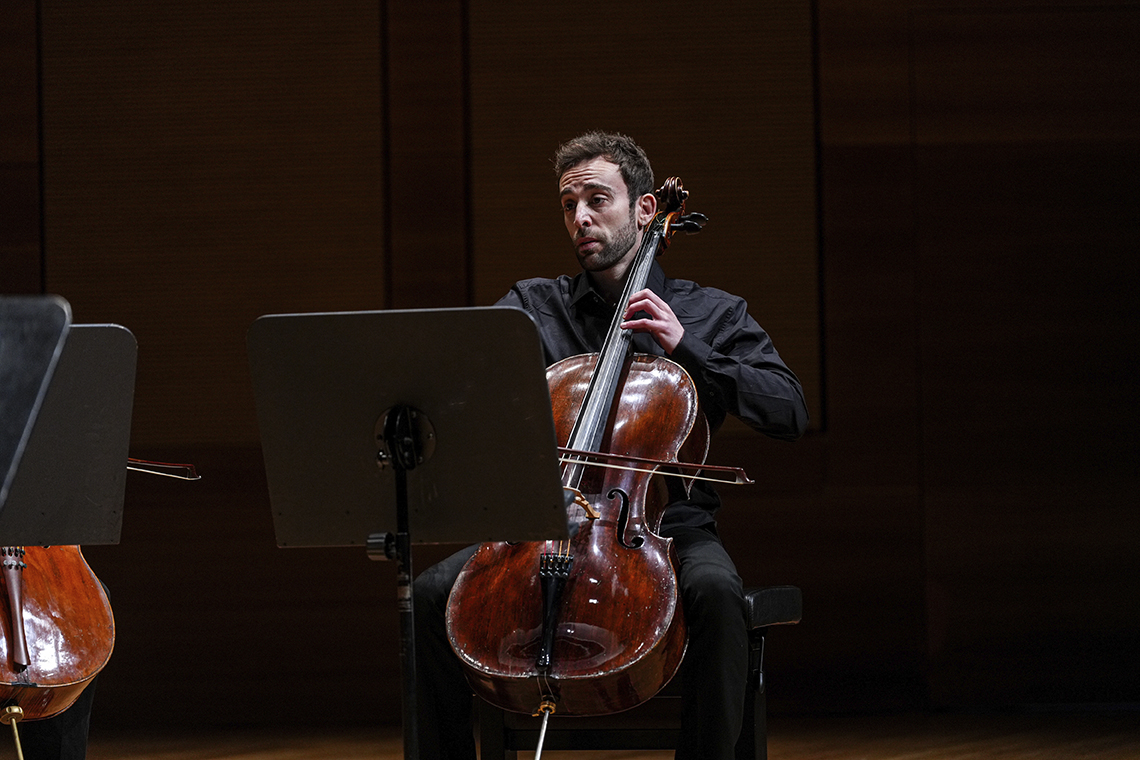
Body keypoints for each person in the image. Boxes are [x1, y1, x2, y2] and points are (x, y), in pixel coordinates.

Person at [413, 131, 808, 760]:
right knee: (428, 595)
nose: (581, 218)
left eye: (598, 200)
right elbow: (461, 396)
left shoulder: (711, 313)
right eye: (569, 206)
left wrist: (688, 348)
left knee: (717, 596)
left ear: (646, 209)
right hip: (540, 525)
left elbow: (789, 409)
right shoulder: (532, 306)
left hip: (664, 530)